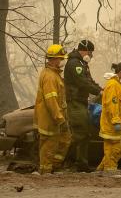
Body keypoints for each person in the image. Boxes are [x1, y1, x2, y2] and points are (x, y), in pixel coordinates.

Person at [64, 39, 102, 172]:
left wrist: (101, 89)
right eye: (90, 52)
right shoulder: (75, 64)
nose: (91, 55)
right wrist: (98, 91)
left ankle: (80, 163)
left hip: (81, 102)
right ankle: (71, 163)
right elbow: (82, 83)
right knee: (80, 134)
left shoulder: (82, 63)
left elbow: (89, 81)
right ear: (84, 50)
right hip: (75, 103)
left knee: (84, 134)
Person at [34, 44, 72, 174]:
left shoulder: (54, 74)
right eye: (60, 59)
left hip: (57, 118)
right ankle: (46, 171)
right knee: (49, 145)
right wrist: (59, 118)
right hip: (51, 119)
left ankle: (55, 166)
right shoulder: (50, 77)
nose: (62, 62)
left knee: (65, 139)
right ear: (53, 59)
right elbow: (51, 101)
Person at [96, 62, 121, 172]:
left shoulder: (119, 85)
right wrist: (116, 121)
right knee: (113, 149)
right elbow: (112, 104)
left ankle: (101, 169)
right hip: (112, 124)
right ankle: (109, 170)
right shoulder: (113, 86)